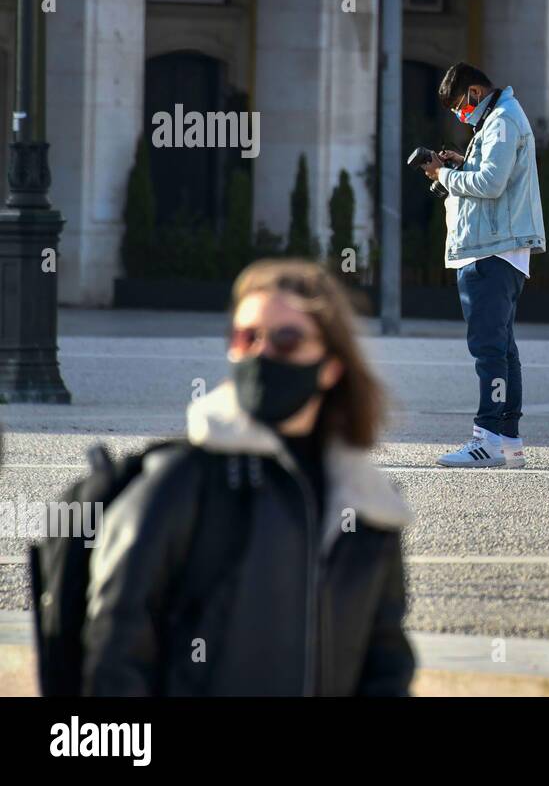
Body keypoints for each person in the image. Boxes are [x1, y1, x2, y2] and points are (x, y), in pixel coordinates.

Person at [82, 259, 415, 695]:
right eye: (246, 338)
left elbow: (385, 662)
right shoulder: (182, 480)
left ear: (332, 366)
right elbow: (115, 649)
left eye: (286, 340)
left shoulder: (366, 504)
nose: (261, 354)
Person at [421, 62, 546, 468]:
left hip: (491, 249)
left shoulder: (502, 120)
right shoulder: (498, 119)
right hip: (499, 248)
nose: (460, 115)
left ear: (476, 93)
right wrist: (461, 164)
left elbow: (490, 184)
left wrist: (444, 175)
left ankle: (487, 437)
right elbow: (494, 177)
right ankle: (508, 441)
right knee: (502, 348)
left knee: (488, 349)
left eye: (460, 106)